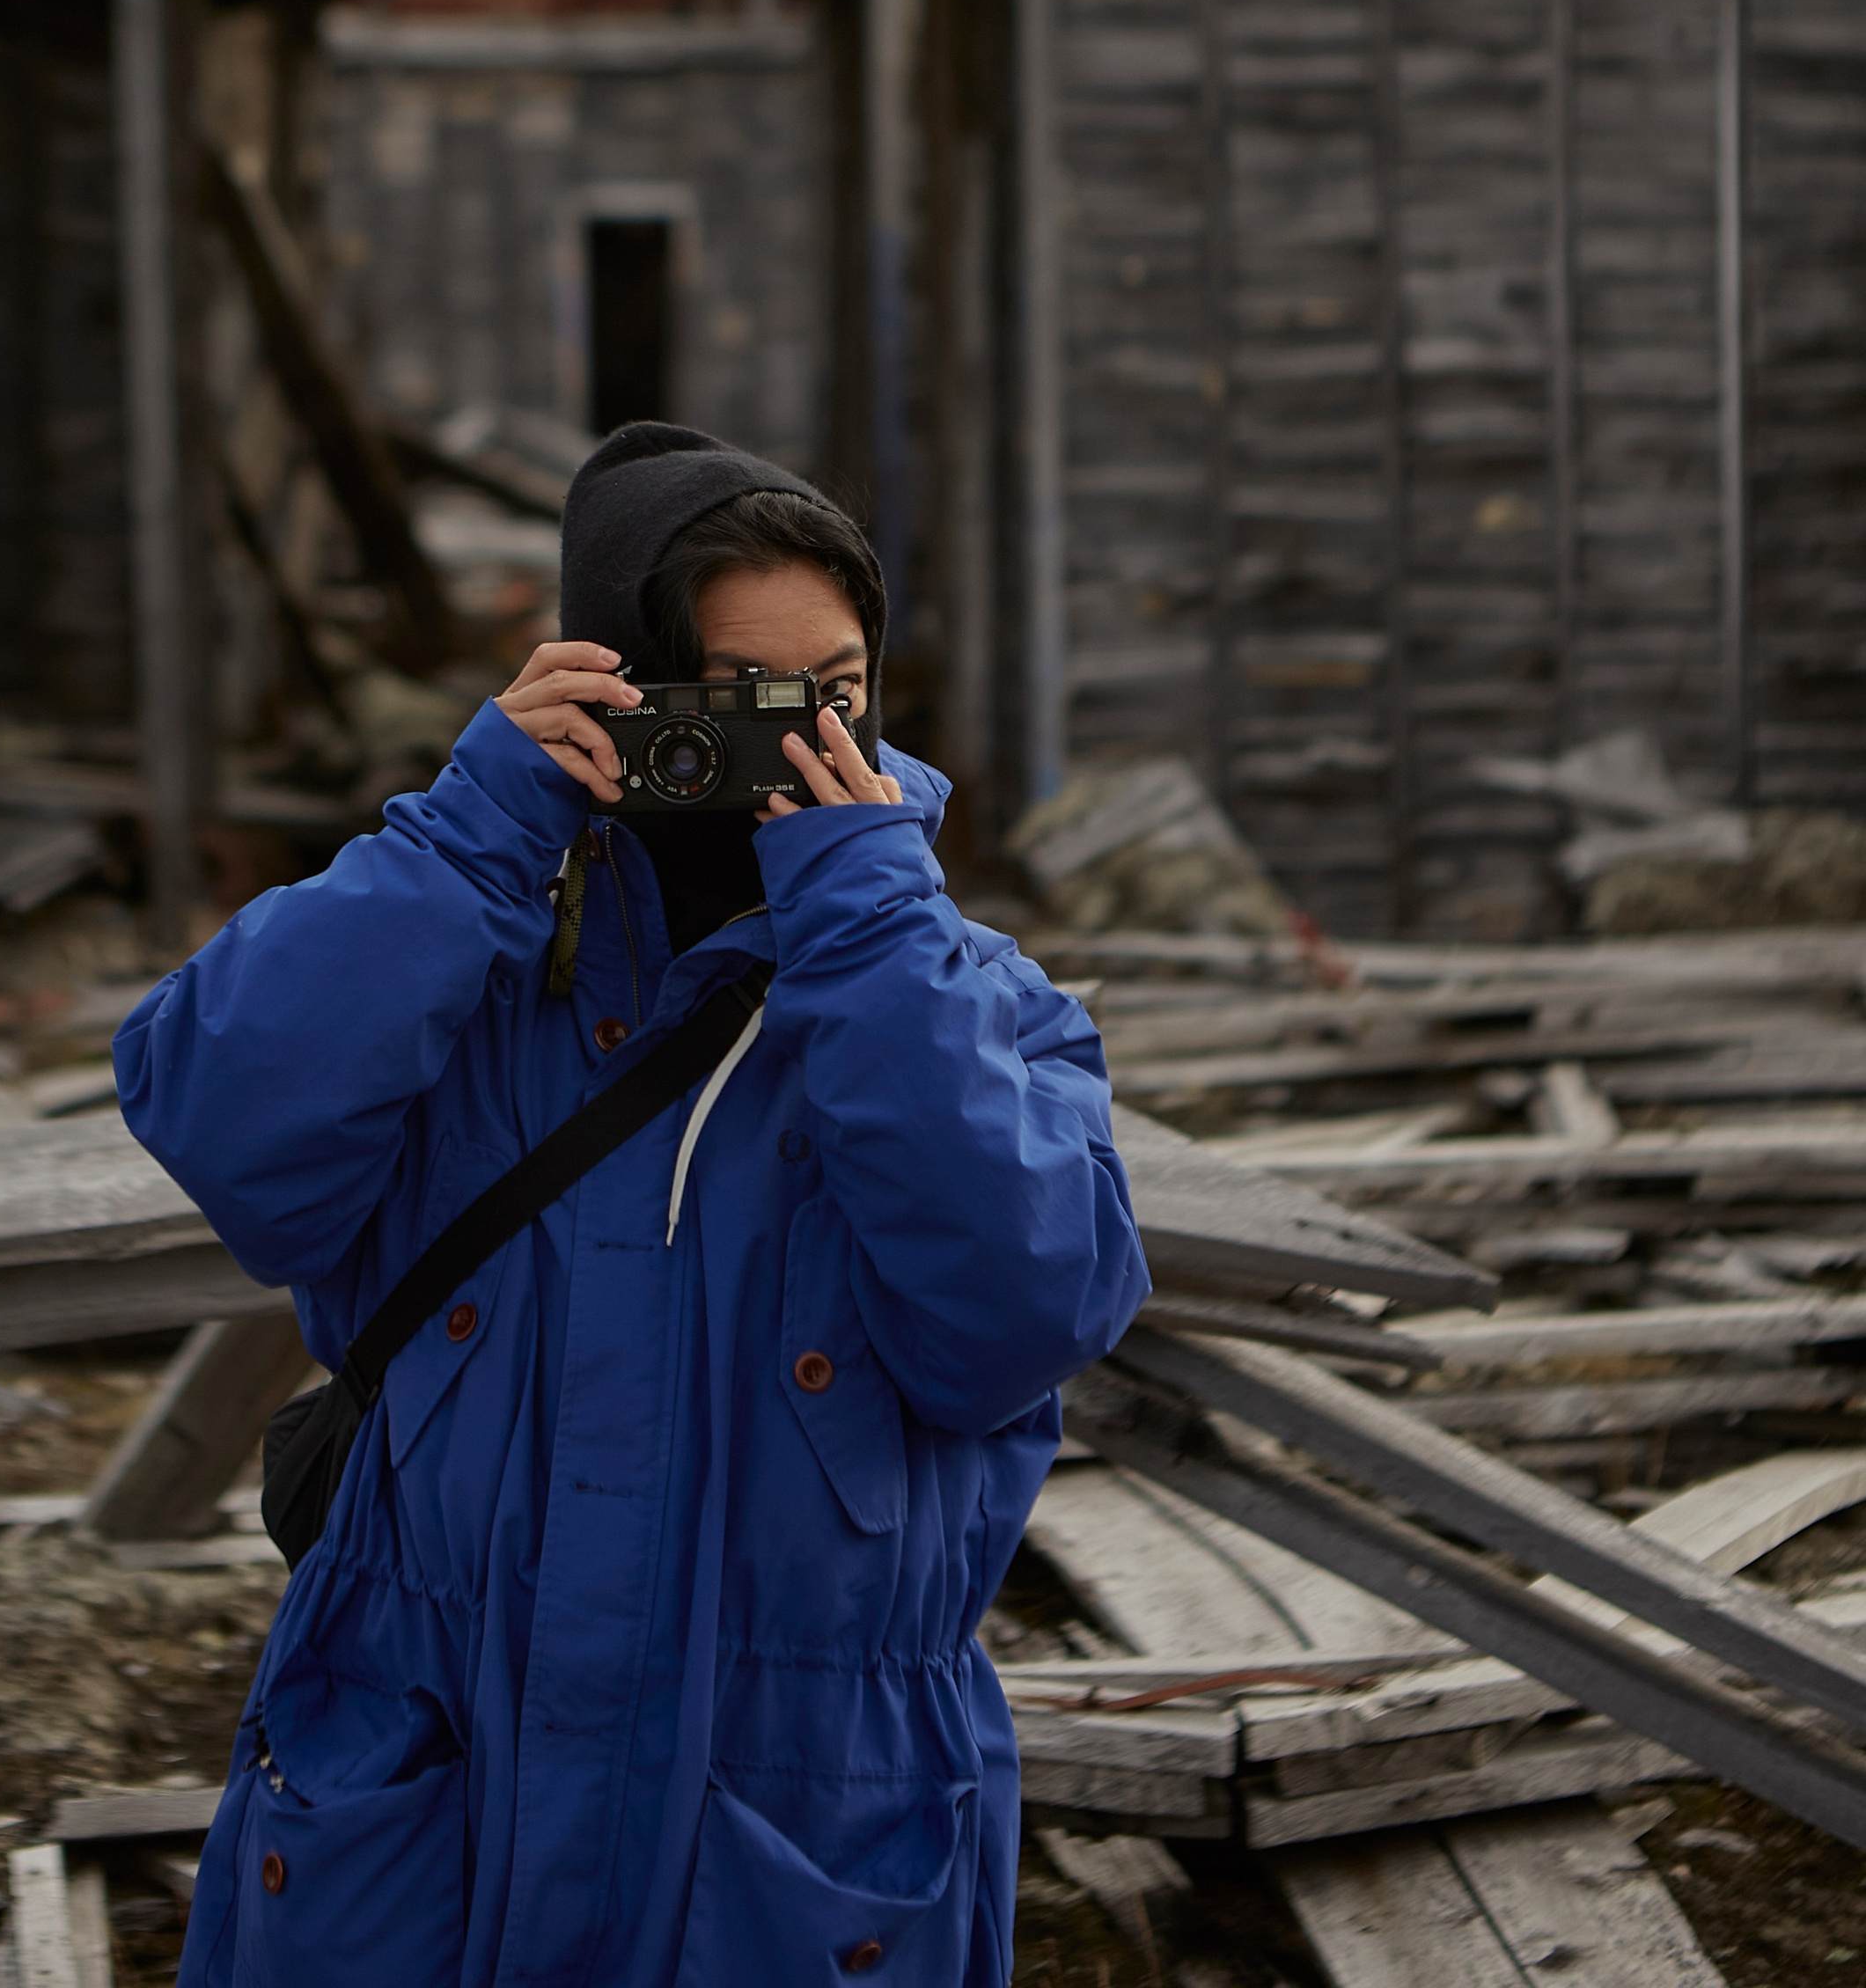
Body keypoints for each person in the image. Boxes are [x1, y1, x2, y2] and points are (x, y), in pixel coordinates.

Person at [116, 421, 1144, 1988]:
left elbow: (1015, 1327)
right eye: (732, 699)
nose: (794, 741)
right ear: (612, 684)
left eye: (837, 692)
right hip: (418, 1772)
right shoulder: (463, 967)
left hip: (795, 1814)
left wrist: (868, 933)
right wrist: (473, 835)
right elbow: (212, 1122)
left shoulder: (970, 1006)